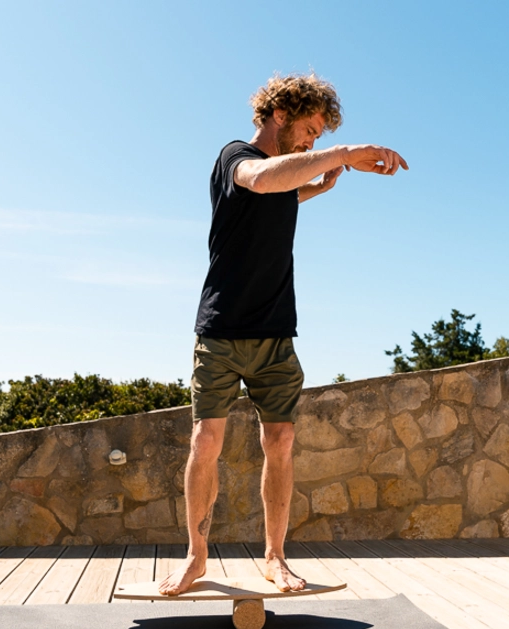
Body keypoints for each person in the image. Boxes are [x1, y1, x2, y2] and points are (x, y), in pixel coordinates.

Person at [158, 73, 408, 595]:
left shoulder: (286, 177)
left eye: (320, 136)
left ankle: (275, 559)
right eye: (310, 130)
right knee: (207, 442)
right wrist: (341, 153)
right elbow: (261, 181)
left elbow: (276, 200)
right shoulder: (236, 157)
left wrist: (315, 187)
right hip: (223, 331)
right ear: (279, 115)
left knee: (282, 440)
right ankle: (195, 556)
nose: (312, 142)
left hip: (276, 331)